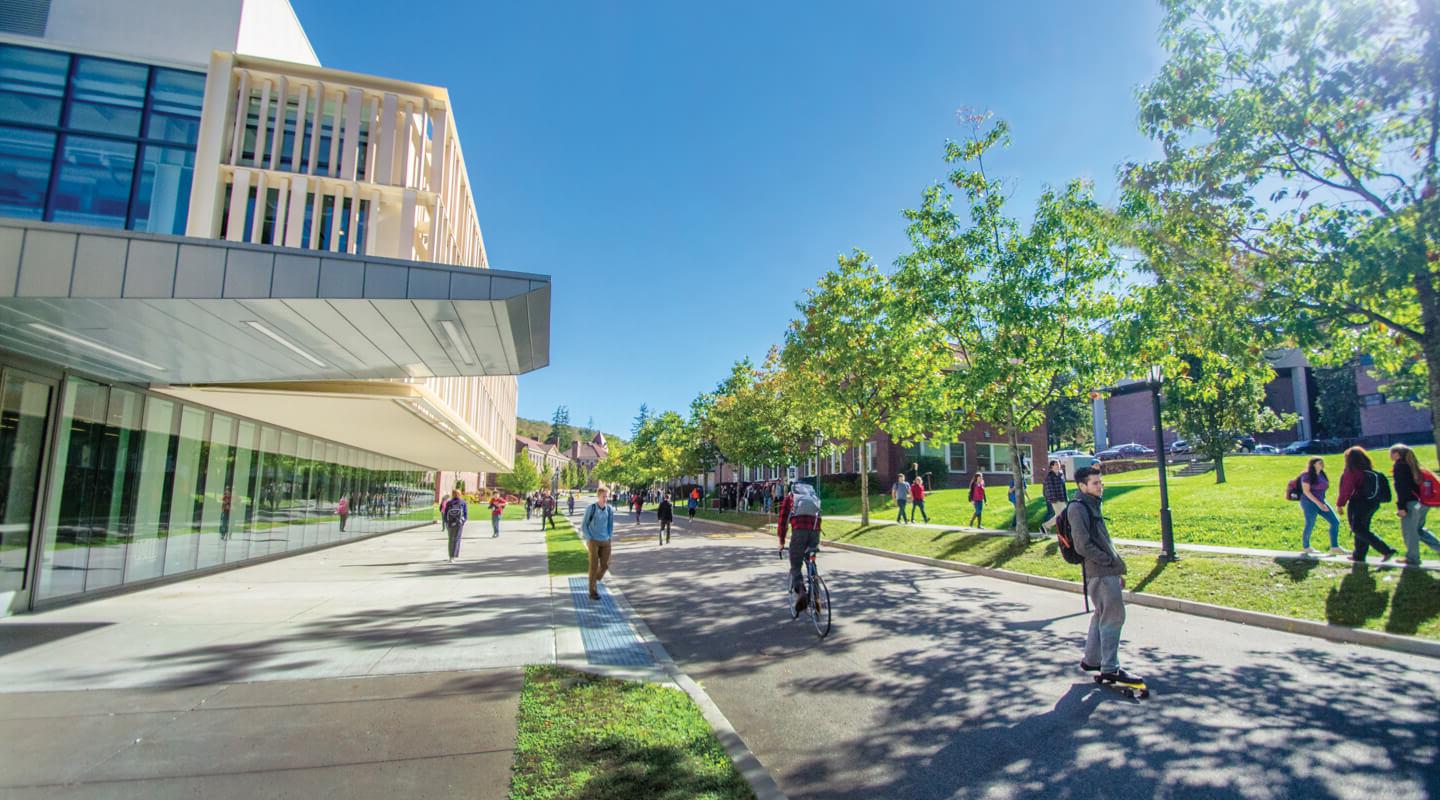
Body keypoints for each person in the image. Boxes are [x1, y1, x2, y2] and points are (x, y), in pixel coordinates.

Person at [1069, 466, 1138, 684]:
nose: (1101, 487)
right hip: (1099, 572)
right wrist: (1108, 563)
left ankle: (1091, 659)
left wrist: (1116, 567)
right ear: (1082, 486)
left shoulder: (1092, 504)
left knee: (1102, 614)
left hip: (1106, 571)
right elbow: (1082, 545)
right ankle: (1110, 668)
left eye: (1101, 482)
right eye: (1095, 483)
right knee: (1113, 617)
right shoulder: (1078, 508)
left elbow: (1102, 541)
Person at [1336, 446, 1395, 563]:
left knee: (1357, 528)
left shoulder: (1352, 471)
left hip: (1358, 503)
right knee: (1363, 528)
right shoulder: (1368, 470)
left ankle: (1385, 550)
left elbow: (1346, 489)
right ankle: (1359, 555)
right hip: (1373, 503)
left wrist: (1340, 504)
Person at [1390, 443, 1440, 567]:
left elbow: (1402, 488)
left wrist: (1401, 507)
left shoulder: (1400, 466)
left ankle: (1412, 558)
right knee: (1418, 529)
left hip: (1411, 503)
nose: (1389, 455)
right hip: (1423, 503)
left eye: (1391, 452)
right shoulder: (1413, 465)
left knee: (1409, 531)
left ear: (1397, 454)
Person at [777, 481, 823, 613]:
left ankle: (801, 592)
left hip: (799, 532)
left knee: (795, 564)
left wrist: (781, 541)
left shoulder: (790, 497)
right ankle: (817, 596)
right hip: (815, 531)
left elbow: (783, 521)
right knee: (811, 562)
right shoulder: (812, 496)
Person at [1299, 457, 1346, 556]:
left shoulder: (1322, 474)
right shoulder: (1306, 475)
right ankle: (1306, 547)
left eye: (1322, 462)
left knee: (1335, 522)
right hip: (1309, 503)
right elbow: (1306, 492)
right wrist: (1319, 504)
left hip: (1321, 501)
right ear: (1313, 464)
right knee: (1310, 524)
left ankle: (1335, 547)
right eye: (1319, 462)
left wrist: (1321, 502)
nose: (1322, 464)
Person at [581, 488, 616, 600]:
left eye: (607, 496)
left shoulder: (609, 509)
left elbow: (610, 525)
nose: (605, 499)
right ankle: (593, 592)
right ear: (598, 496)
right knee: (593, 566)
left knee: (605, 564)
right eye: (604, 496)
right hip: (593, 541)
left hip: (605, 540)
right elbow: (584, 525)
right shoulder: (591, 508)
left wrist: (609, 536)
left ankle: (594, 579)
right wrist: (589, 538)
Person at [1041, 460, 1068, 534]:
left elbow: (1064, 488)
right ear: (1051, 466)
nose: (1058, 465)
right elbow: (1049, 489)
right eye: (1056, 464)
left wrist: (1066, 498)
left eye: (1058, 464)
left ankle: (1045, 526)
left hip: (1062, 498)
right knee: (1062, 516)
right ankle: (1063, 531)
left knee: (1061, 515)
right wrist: (1053, 500)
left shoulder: (1061, 474)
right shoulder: (1049, 476)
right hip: (1055, 499)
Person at [441, 488, 467, 562]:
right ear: (460, 494)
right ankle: (454, 555)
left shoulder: (449, 503)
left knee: (451, 539)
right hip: (459, 523)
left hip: (450, 523)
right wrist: (463, 521)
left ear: (452, 494)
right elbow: (465, 514)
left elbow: (445, 514)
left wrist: (447, 522)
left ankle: (450, 556)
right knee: (457, 539)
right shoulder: (463, 502)